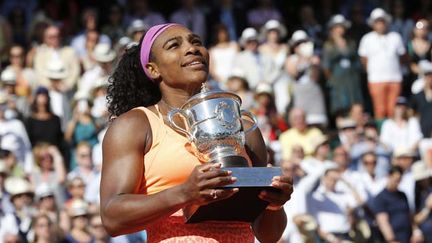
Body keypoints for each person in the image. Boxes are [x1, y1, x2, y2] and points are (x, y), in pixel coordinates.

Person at [100, 23, 293, 242]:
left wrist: (274, 204)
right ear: (153, 69)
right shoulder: (135, 125)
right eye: (174, 45)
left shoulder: (243, 123)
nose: (192, 49)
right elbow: (111, 217)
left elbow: (269, 235)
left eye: (196, 42)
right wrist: (184, 193)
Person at [358, 8, 407, 119]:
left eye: (382, 21)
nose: (380, 25)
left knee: (393, 109)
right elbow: (364, 59)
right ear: (373, 24)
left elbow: (402, 57)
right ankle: (382, 133)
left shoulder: (395, 37)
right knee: (380, 109)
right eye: (377, 22)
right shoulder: (367, 39)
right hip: (376, 79)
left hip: (394, 78)